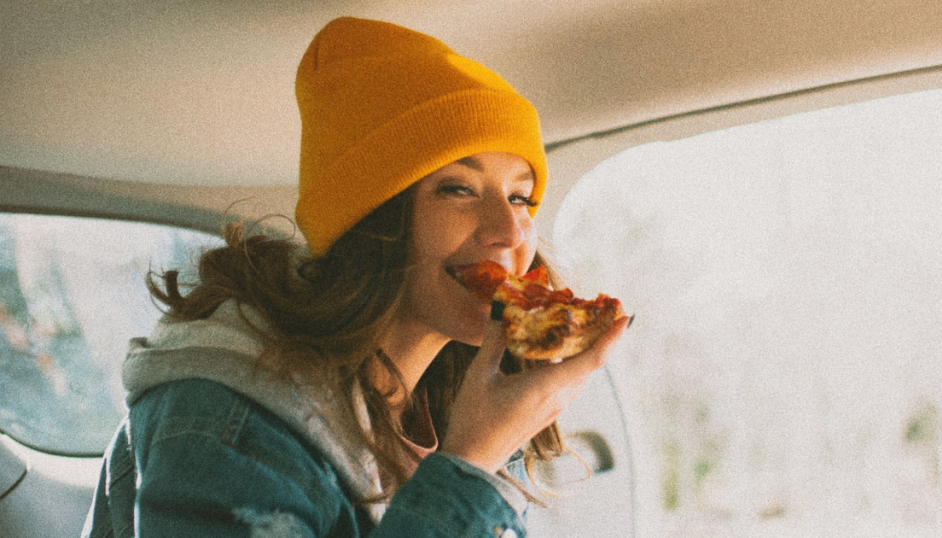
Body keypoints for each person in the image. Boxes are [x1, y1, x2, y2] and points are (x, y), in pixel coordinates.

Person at [81, 16, 628, 538]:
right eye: (458, 188)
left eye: (520, 196)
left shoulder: (446, 406)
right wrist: (469, 464)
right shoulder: (223, 422)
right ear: (375, 222)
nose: (511, 230)